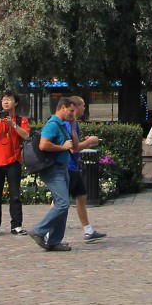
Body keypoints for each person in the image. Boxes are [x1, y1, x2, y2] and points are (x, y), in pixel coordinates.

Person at [0, 92, 31, 235]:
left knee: (15, 195)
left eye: (9, 99)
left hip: (13, 161)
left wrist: (13, 124)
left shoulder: (21, 120)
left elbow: (26, 136)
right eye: (4, 100)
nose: (6, 102)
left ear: (16, 103)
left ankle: (16, 225)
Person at [30, 97, 76, 252]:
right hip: (53, 169)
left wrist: (73, 127)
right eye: (71, 110)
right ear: (62, 108)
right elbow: (44, 144)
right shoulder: (52, 125)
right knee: (63, 203)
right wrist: (62, 147)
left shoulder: (63, 125)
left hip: (62, 168)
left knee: (62, 204)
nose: (73, 113)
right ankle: (39, 230)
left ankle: (55, 240)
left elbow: (74, 147)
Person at [65, 96, 106, 242]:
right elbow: (72, 149)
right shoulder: (68, 123)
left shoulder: (73, 123)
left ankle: (88, 230)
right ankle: (47, 231)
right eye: (83, 105)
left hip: (72, 167)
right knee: (60, 202)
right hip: (68, 166)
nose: (84, 108)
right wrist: (89, 142)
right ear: (75, 107)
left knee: (81, 196)